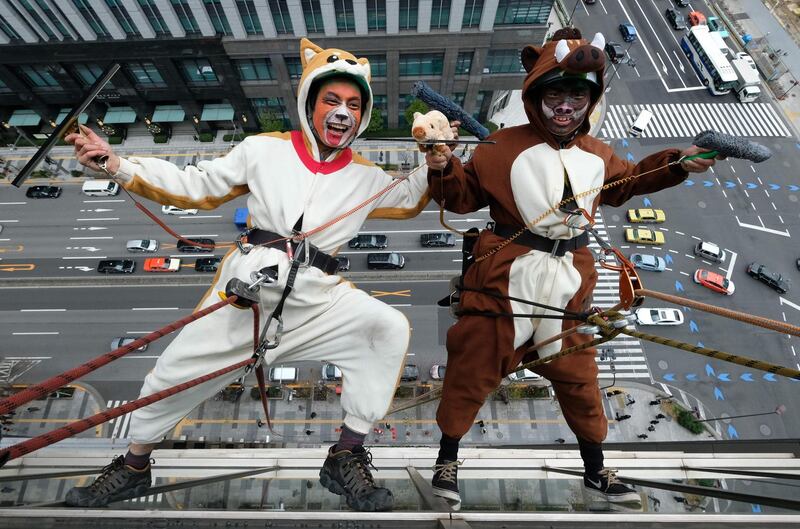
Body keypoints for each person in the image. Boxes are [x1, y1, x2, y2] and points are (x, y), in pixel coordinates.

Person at [62, 38, 431, 512]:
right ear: (308, 103)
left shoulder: (366, 175)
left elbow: (414, 193)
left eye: (355, 105)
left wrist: (436, 155)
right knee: (169, 375)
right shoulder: (263, 150)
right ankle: (133, 465)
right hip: (246, 297)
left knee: (388, 327)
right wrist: (119, 164)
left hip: (319, 303)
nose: (343, 113)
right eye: (332, 101)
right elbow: (198, 183)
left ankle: (346, 454)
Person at [424, 28, 720, 510]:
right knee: (473, 365)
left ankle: (595, 471)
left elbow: (630, 181)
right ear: (536, 96)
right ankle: (446, 460)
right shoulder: (499, 146)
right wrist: (442, 164)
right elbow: (460, 199)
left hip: (568, 282)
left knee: (579, 375)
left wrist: (679, 164)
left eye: (577, 94)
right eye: (555, 93)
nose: (565, 105)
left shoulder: (598, 154)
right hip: (505, 276)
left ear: (591, 99)